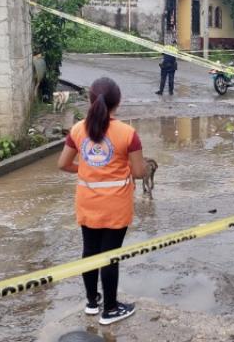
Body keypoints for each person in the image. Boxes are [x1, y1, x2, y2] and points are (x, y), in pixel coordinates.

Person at [58, 77, 146, 325]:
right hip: (116, 205)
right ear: (118, 102)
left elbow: (62, 164)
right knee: (110, 255)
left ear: (90, 100)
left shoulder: (77, 130)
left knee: (89, 251)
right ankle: (110, 309)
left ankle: (91, 303)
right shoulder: (128, 133)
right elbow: (139, 172)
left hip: (87, 202)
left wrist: (88, 169)